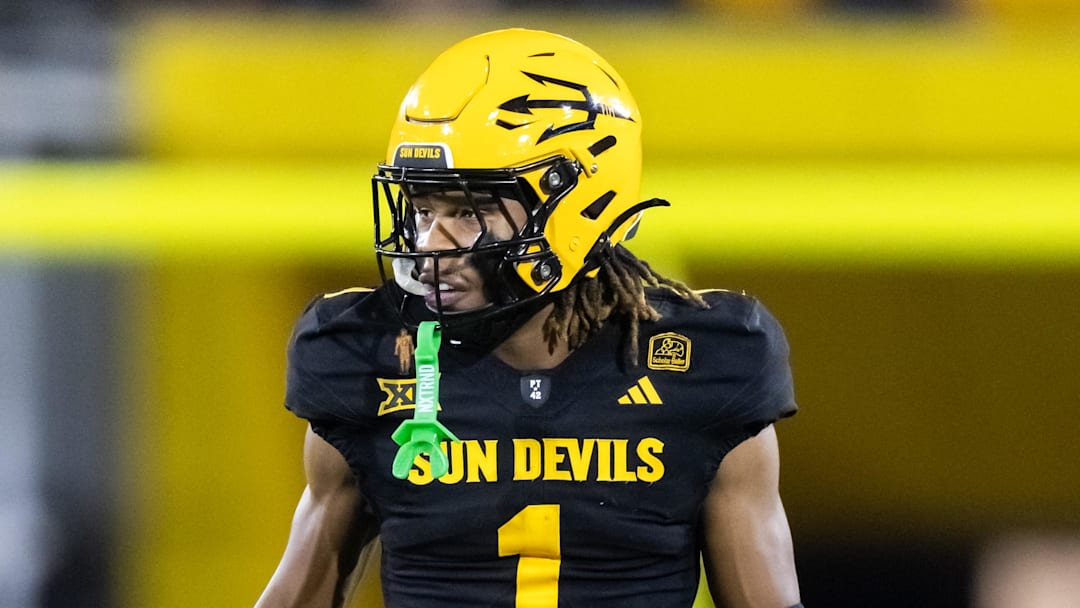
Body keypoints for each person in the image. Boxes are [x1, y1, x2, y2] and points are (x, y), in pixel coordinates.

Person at [256, 28, 802, 608]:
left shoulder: (704, 366)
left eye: (469, 211)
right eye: (421, 208)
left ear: (580, 205)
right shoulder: (365, 359)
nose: (429, 242)